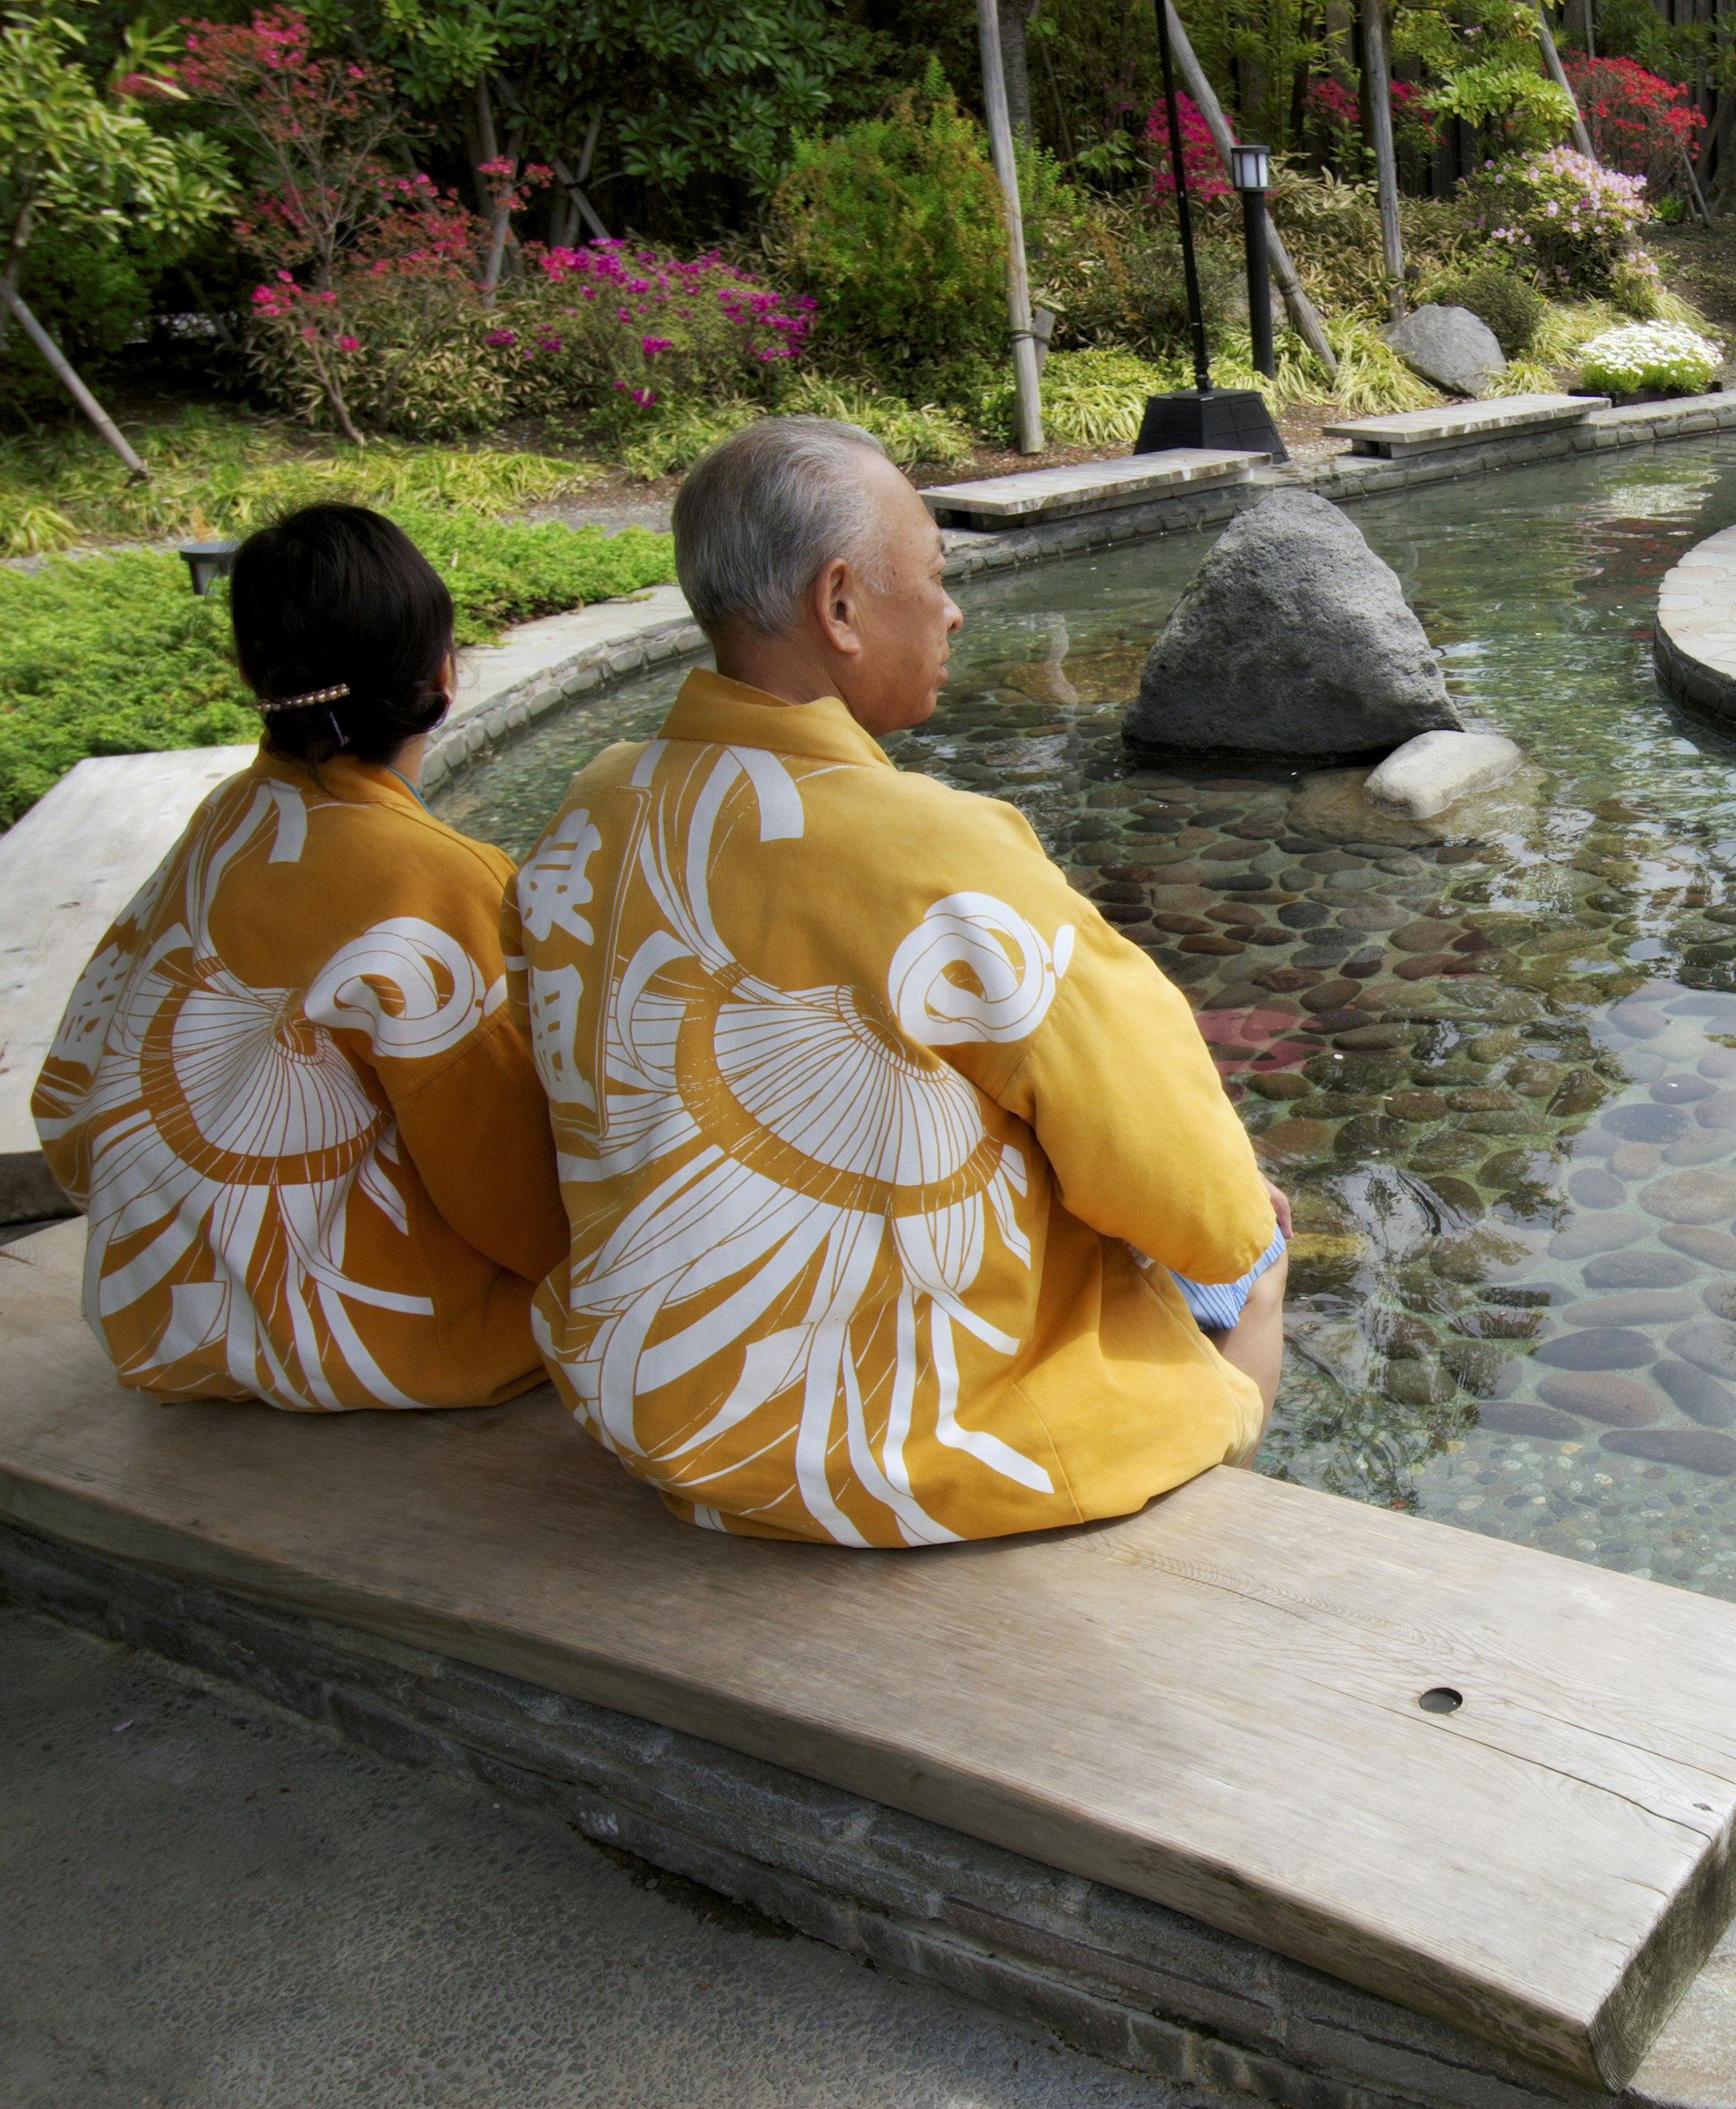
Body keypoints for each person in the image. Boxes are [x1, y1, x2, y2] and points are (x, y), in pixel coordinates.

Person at [508, 417, 1287, 1545]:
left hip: (658, 1410)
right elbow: (1192, 1194)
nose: (954, 610)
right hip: (911, 1452)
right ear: (839, 605)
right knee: (1251, 1247)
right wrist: (1234, 1233)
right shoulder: (939, 851)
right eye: (933, 576)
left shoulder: (596, 806)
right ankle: (1234, 1524)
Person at [31, 503, 569, 1410]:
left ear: (252, 673)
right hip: (381, 1342)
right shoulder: (443, 880)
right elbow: (521, 1203)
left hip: (164, 1316)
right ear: (442, 672)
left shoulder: (224, 826)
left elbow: (70, 1093)